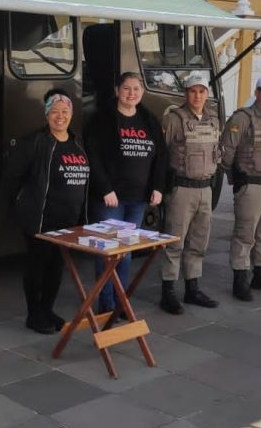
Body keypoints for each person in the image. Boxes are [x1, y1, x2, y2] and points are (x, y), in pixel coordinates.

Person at [84, 72, 166, 314]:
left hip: (138, 198)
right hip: (111, 198)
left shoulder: (149, 120)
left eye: (136, 89)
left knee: (126, 252)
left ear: (142, 92)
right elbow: (93, 155)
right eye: (127, 88)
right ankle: (105, 303)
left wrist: (158, 187)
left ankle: (120, 300)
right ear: (117, 90)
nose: (132, 93)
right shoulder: (102, 119)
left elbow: (161, 156)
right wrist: (105, 188)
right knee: (108, 251)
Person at [13, 89, 89, 334]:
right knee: (37, 266)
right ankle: (34, 314)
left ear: (71, 113)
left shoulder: (76, 143)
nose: (60, 116)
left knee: (56, 267)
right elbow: (12, 178)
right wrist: (20, 209)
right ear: (46, 114)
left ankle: (47, 309)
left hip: (67, 221)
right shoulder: (34, 142)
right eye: (54, 111)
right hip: (40, 220)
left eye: (65, 112)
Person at [219, 75, 261, 300]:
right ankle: (240, 279)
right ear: (257, 93)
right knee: (245, 234)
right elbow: (226, 151)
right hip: (251, 185)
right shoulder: (243, 117)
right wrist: (235, 178)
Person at [158, 70, 221, 314]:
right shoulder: (175, 118)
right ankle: (168, 292)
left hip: (205, 188)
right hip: (182, 188)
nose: (197, 96)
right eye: (193, 91)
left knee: (198, 241)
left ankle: (192, 288)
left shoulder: (213, 120)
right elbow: (163, 154)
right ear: (186, 93)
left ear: (207, 94)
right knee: (174, 241)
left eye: (201, 91)